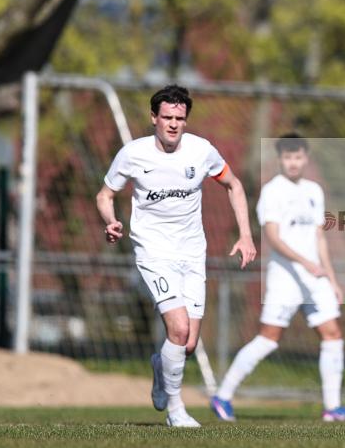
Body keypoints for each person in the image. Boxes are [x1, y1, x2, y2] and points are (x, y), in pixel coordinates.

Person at [96, 84, 257, 428]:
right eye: (167, 117)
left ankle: (161, 366)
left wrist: (245, 234)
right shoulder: (133, 154)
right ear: (154, 118)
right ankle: (176, 411)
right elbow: (105, 195)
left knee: (188, 343)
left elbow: (234, 185)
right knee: (179, 328)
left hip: (192, 252)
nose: (173, 124)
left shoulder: (201, 151)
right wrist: (110, 221)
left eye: (179, 119)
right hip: (153, 251)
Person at [210, 133, 345, 423]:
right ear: (280, 159)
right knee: (269, 338)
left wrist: (331, 278)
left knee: (332, 334)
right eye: (288, 157)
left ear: (306, 158)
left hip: (315, 278)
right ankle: (223, 396)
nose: (293, 163)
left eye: (298, 157)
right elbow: (273, 237)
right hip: (285, 279)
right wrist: (305, 262)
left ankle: (332, 408)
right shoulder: (273, 191)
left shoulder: (314, 191)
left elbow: (319, 237)